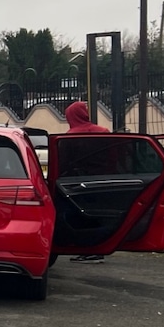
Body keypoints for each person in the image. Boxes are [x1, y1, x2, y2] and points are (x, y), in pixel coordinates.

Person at [64, 99, 111, 260]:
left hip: (78, 182)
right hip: (103, 181)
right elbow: (115, 156)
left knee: (81, 217)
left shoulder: (70, 137)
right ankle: (99, 249)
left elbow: (64, 162)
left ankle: (86, 249)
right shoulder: (103, 132)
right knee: (100, 215)